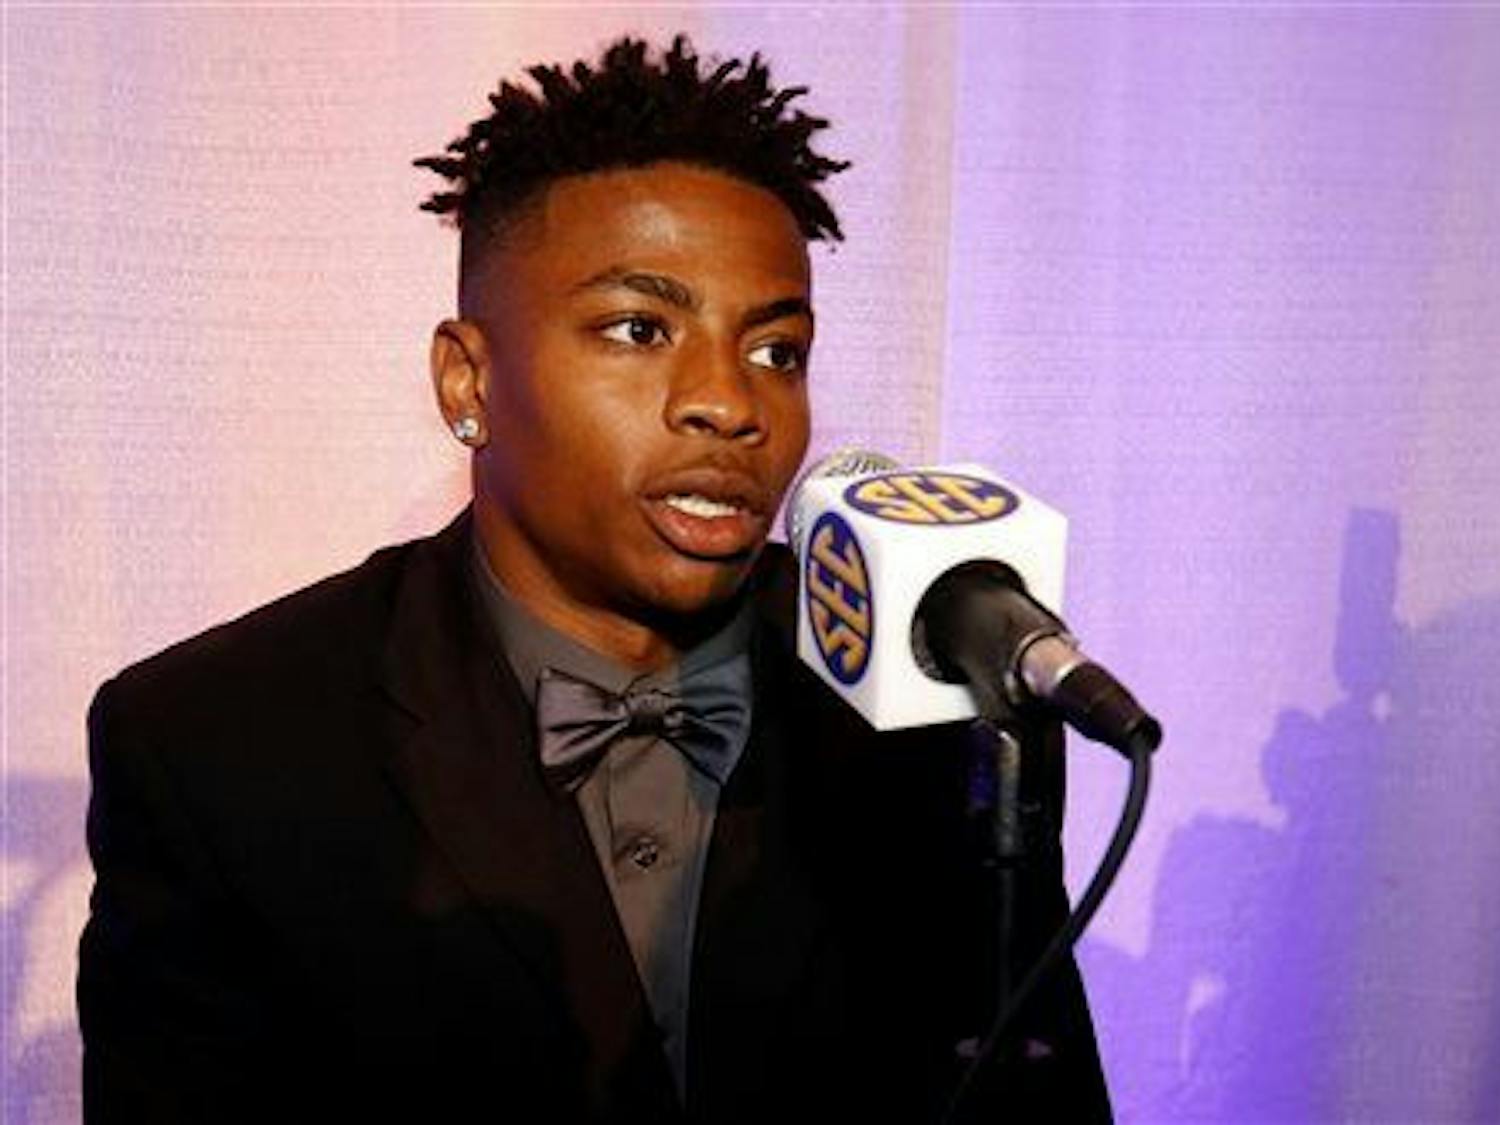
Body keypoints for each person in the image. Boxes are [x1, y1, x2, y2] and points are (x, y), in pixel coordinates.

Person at [77, 36, 1110, 1123]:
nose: (730, 402)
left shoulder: (939, 715)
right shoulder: (217, 742)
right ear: (468, 381)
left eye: (777, 350)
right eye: (639, 329)